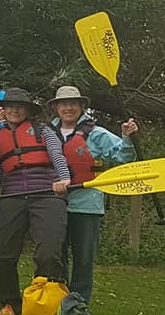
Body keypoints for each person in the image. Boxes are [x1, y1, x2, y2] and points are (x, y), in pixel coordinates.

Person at [0, 88, 71, 315]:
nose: (14, 110)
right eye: (10, 106)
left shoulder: (44, 131)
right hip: (12, 195)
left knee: (49, 253)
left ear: (28, 111)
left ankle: (47, 302)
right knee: (2, 252)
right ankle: (10, 302)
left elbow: (57, 156)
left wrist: (64, 179)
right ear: (3, 110)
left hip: (47, 194)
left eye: (20, 106)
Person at [47, 85, 137, 302]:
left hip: (86, 205)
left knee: (83, 259)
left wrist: (127, 137)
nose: (68, 108)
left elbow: (123, 157)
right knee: (54, 257)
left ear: (81, 107)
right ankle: (56, 300)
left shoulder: (96, 134)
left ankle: (78, 304)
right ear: (56, 108)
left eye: (72, 104)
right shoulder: (46, 133)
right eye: (63, 104)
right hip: (52, 204)